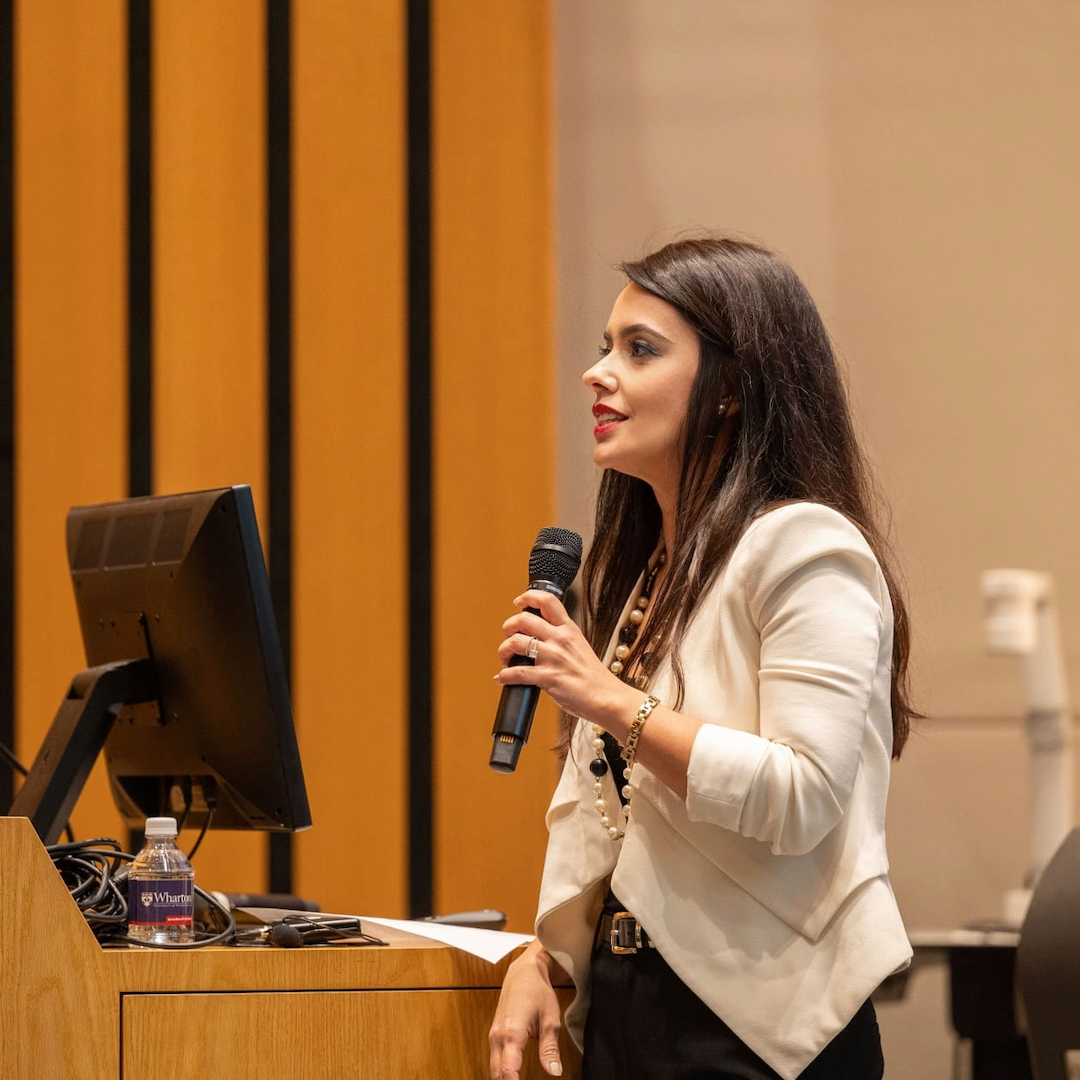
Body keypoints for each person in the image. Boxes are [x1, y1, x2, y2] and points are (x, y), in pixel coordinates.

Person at [488, 236, 917, 1080]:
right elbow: (603, 815)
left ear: (729, 390)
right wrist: (547, 960)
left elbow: (802, 796)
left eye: (639, 349)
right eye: (605, 345)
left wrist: (608, 700)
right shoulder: (656, 571)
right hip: (632, 1009)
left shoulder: (805, 546)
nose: (598, 373)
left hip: (763, 1031)